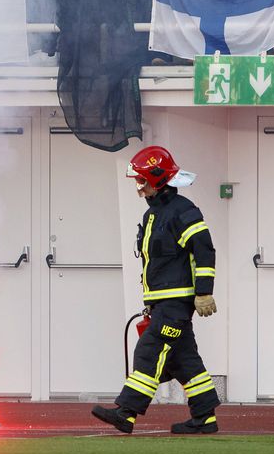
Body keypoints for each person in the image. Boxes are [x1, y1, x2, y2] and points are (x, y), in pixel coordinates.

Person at [92, 146, 219, 436]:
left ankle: (126, 413)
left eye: (142, 182)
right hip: (162, 302)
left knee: (148, 352)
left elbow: (204, 250)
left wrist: (203, 292)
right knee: (183, 359)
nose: (139, 188)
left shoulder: (183, 211)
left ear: (159, 179)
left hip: (176, 303)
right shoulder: (154, 215)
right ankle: (205, 417)